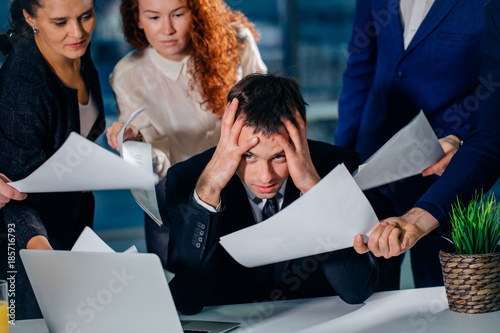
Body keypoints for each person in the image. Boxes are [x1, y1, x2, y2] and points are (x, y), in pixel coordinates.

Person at [162, 73, 379, 315]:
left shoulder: (339, 168)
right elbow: (186, 301)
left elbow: (357, 290)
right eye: (249, 156)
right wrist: (209, 190)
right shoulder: (187, 180)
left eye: (279, 156)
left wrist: (315, 190)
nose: (265, 176)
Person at [336, 0, 488, 289]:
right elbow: (360, 71)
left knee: (445, 295)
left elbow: (494, 85)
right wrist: (341, 161)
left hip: (444, 170)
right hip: (371, 162)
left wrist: (461, 135)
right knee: (366, 293)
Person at [105, 0, 267, 264]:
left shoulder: (236, 41)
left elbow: (266, 117)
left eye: (178, 14)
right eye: (153, 17)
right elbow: (159, 164)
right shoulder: (128, 74)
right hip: (176, 195)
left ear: (198, 12)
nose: (167, 29)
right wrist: (137, 145)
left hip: (241, 183)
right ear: (137, 19)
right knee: (183, 289)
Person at [0, 0, 105, 319]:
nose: (77, 31)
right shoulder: (24, 83)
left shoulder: (74, 51)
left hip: (70, 226)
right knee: (29, 324)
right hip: (29, 242)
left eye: (86, 16)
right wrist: (45, 255)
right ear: (31, 18)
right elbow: (16, 193)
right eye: (60, 22)